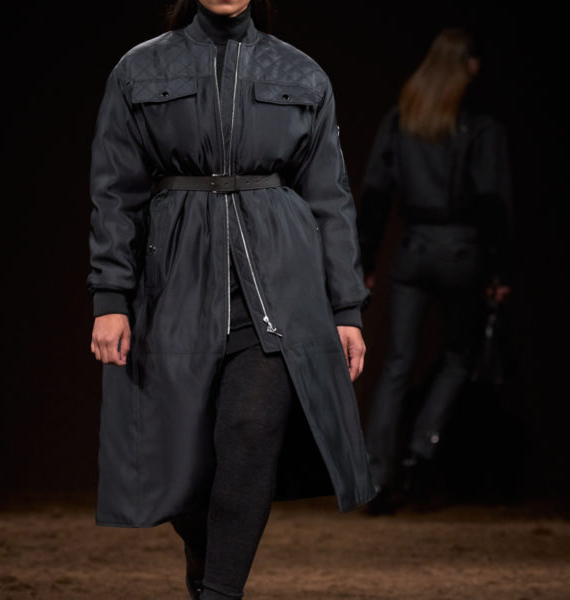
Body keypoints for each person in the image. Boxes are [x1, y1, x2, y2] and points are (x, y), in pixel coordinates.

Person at [86, 0, 374, 597]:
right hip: (175, 289)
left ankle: (220, 591)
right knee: (181, 462)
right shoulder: (139, 70)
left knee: (250, 433)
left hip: (277, 291)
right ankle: (206, 558)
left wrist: (346, 308)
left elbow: (330, 196)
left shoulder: (300, 73)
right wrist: (110, 295)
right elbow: (114, 191)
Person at [356, 28, 513, 514]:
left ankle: (378, 476)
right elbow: (492, 201)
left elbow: (375, 193)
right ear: (468, 67)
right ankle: (418, 456)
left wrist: (365, 260)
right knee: (459, 357)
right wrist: (499, 270)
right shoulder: (478, 126)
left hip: (414, 248)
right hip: (462, 250)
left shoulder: (403, 119)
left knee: (397, 362)